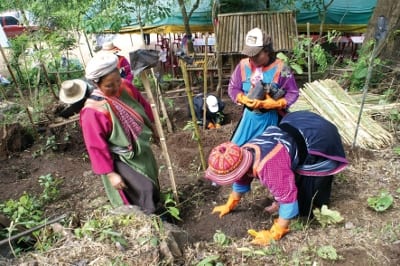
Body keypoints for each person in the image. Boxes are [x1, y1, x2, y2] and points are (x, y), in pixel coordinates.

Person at [205, 111, 348, 245]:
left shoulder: (269, 166)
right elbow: (242, 178)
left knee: (306, 203)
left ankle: (316, 202)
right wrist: (230, 203)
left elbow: (287, 197)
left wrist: (276, 232)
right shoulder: (244, 151)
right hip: (294, 127)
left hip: (317, 137)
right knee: (286, 175)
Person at [80, 52, 160, 214]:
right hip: (119, 158)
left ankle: (158, 210)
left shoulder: (126, 87)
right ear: (97, 84)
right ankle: (148, 219)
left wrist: (154, 129)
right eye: (109, 86)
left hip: (140, 149)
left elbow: (142, 108)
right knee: (144, 188)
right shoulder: (93, 111)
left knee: (152, 179)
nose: (116, 87)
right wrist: (110, 174)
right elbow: (95, 145)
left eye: (117, 80)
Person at [228, 27, 299, 146]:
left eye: (256, 55)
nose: (252, 58)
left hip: (271, 119)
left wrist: (277, 103)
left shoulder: (283, 68)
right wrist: (242, 98)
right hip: (249, 118)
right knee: (238, 150)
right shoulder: (242, 65)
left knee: (267, 152)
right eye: (249, 55)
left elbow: (293, 92)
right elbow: (233, 87)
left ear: (267, 51)